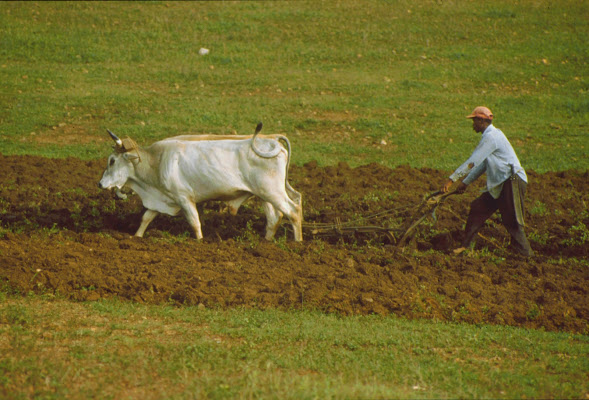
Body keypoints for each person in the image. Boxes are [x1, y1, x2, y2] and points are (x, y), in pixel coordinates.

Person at [440, 106, 534, 257]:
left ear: (481, 121)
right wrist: (465, 183)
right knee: (478, 208)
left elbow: (473, 162)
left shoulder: (492, 137)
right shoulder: (489, 137)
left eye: (474, 121)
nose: (473, 125)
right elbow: (483, 164)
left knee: (511, 219)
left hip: (511, 180)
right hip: (501, 182)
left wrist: (452, 180)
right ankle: (466, 247)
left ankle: (525, 253)